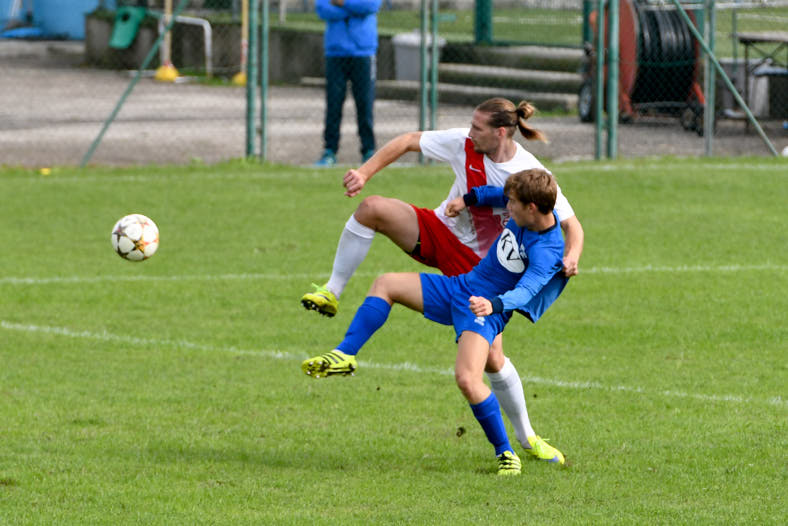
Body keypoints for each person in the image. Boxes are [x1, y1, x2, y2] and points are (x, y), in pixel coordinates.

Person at [301, 97, 584, 461]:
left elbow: (571, 226)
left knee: (491, 359)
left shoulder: (530, 177)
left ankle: (525, 438)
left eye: (477, 127)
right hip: (438, 230)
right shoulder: (465, 144)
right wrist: (364, 174)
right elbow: (408, 141)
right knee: (372, 209)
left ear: (500, 132)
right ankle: (332, 293)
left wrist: (571, 256)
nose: (470, 132)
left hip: (477, 267)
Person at [314, 0, 381, 167]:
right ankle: (330, 150)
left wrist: (342, 3)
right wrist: (354, 9)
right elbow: (323, 9)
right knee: (334, 103)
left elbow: (371, 6)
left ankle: (368, 150)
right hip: (336, 53)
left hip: (363, 51)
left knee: (365, 103)